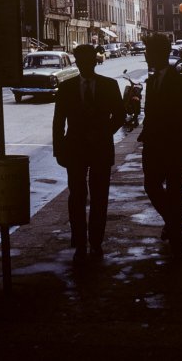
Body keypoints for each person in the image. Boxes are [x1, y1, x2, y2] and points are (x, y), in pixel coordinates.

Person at [53, 43, 124, 265]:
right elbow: (58, 122)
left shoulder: (109, 85)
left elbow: (120, 115)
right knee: (77, 196)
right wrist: (59, 151)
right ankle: (80, 242)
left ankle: (96, 242)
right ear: (77, 62)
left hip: (100, 149)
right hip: (75, 149)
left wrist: (104, 133)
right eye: (81, 61)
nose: (85, 65)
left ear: (94, 61)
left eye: (89, 61)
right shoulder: (66, 87)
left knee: (99, 197)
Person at [138, 33, 182, 257]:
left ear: (158, 54)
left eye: (148, 51)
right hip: (153, 147)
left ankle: (175, 236)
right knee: (151, 186)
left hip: (175, 147)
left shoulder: (178, 80)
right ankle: (172, 226)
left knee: (174, 193)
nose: (145, 55)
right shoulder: (152, 81)